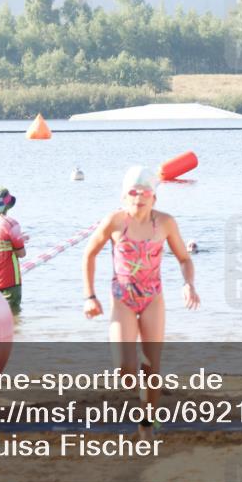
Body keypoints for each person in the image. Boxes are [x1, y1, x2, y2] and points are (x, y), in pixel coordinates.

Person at [82, 166, 199, 440]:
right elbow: (89, 254)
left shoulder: (165, 223)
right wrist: (89, 296)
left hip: (152, 298)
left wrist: (188, 283)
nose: (140, 197)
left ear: (154, 198)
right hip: (122, 298)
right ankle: (136, 391)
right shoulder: (114, 222)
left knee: (151, 366)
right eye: (133, 192)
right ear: (124, 196)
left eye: (146, 192)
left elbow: (184, 258)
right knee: (125, 369)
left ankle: (147, 424)